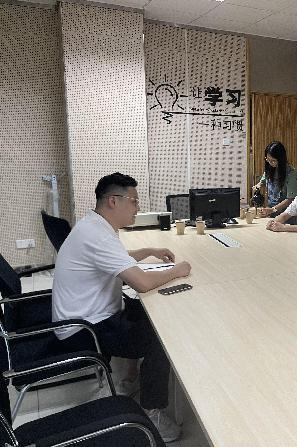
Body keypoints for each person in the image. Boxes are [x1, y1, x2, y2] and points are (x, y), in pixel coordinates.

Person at [52, 172, 191, 442]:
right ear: (113, 201)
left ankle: (129, 379)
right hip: (84, 329)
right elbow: (142, 283)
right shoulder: (98, 235)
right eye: (134, 201)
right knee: (161, 338)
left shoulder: (94, 225)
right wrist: (177, 270)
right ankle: (152, 411)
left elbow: (117, 257)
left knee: (141, 310)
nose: (137, 208)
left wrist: (148, 251)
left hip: (88, 315)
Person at [252, 141, 297, 218]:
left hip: (287, 215)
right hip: (271, 213)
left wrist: (273, 209)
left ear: (281, 159)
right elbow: (262, 181)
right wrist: (258, 186)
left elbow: (290, 199)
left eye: (273, 160)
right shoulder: (270, 169)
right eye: (268, 160)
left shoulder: (291, 174)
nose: (270, 163)